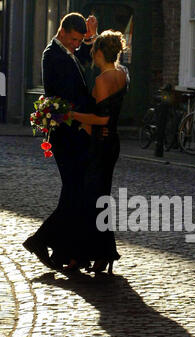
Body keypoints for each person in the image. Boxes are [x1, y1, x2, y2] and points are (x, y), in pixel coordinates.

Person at [23, 13, 99, 269]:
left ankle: (62, 252)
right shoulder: (52, 55)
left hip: (72, 131)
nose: (77, 44)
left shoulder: (67, 51)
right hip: (66, 133)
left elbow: (84, 62)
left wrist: (90, 41)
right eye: (75, 39)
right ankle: (41, 240)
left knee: (75, 192)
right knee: (73, 191)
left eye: (80, 41)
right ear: (63, 31)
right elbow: (66, 96)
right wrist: (89, 116)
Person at [68, 30, 129, 273]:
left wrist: (71, 115)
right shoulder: (122, 74)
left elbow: (101, 119)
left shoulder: (102, 80)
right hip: (112, 143)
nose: (92, 54)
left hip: (100, 144)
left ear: (100, 53)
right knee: (100, 199)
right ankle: (103, 254)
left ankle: (95, 253)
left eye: (94, 50)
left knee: (90, 199)